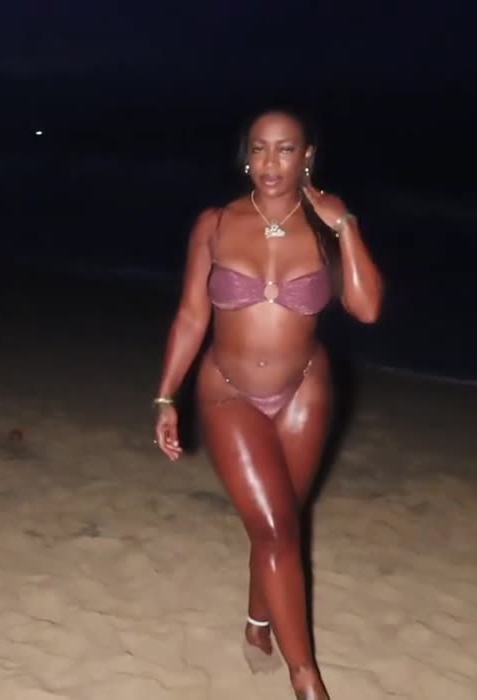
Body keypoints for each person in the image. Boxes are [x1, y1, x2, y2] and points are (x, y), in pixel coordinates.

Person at [152, 108, 384, 700]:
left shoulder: (325, 226)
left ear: (307, 156)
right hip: (228, 390)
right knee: (278, 529)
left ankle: (259, 618)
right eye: (259, 148)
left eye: (285, 149)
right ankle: (306, 680)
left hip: (305, 389)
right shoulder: (216, 223)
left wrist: (346, 224)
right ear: (245, 156)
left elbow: (366, 308)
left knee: (280, 521)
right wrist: (166, 394)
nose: (270, 162)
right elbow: (191, 315)